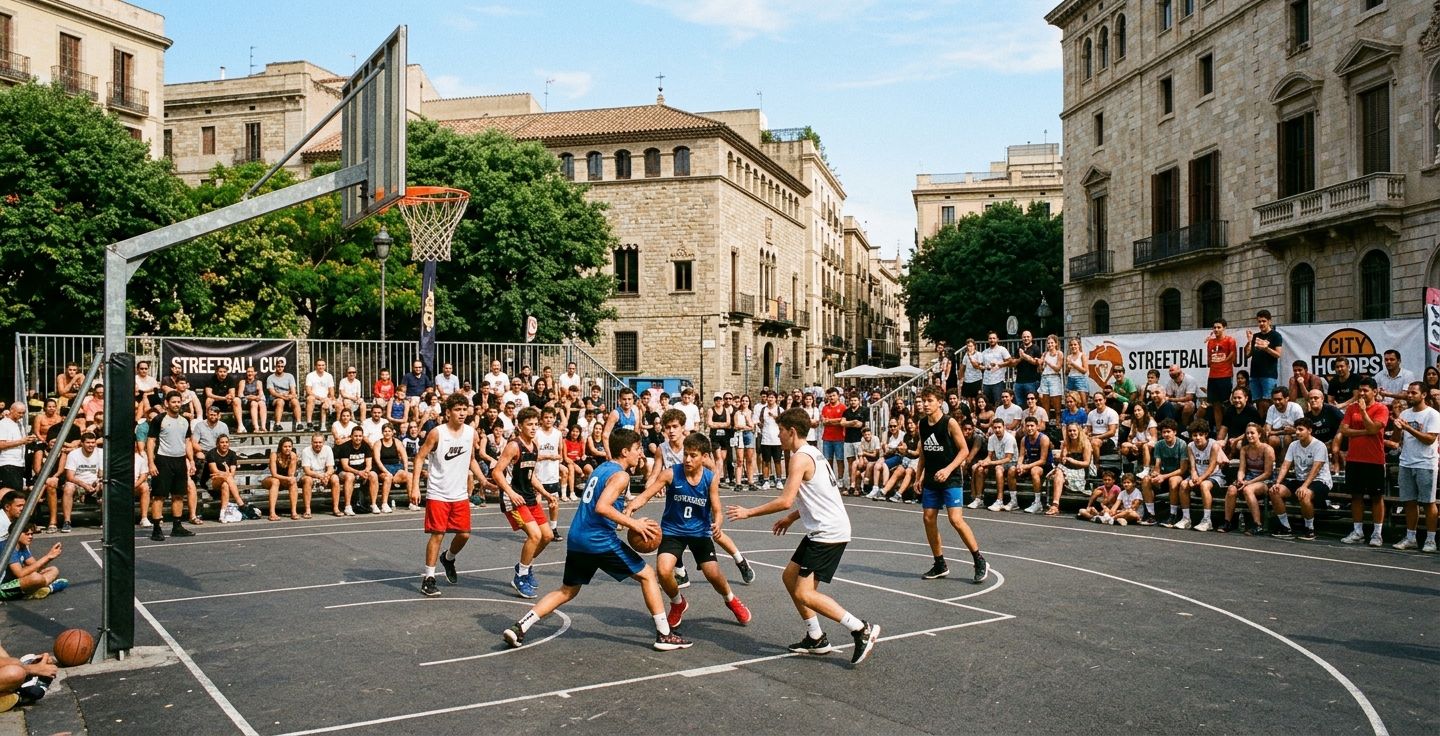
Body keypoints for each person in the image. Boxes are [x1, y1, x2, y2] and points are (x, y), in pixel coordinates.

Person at [503, 427, 692, 651]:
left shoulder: (603, 468)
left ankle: (520, 627)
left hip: (578, 536)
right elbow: (602, 507)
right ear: (624, 451)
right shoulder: (621, 475)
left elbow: (599, 505)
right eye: (637, 449)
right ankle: (664, 635)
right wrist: (635, 524)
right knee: (648, 575)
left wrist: (625, 516)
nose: (640, 453)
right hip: (598, 539)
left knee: (567, 590)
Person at [725, 409, 881, 666]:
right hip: (823, 528)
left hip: (828, 532)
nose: (778, 435)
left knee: (805, 593)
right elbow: (819, 496)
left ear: (792, 431)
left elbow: (785, 500)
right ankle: (816, 637)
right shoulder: (814, 453)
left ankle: (861, 629)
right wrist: (793, 518)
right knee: (789, 577)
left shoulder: (799, 458)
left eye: (781, 430)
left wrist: (748, 512)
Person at [626, 431, 753, 629]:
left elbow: (717, 509)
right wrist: (631, 507)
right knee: (663, 569)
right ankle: (678, 603)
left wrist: (718, 523)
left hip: (699, 532)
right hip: (672, 531)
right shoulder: (671, 473)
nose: (687, 459)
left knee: (713, 574)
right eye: (686, 454)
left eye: (693, 455)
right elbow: (646, 495)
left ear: (704, 457)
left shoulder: (710, 478)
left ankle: (730, 599)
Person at [411, 394, 485, 598]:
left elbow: (471, 460)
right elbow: (419, 458)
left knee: (464, 534)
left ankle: (449, 558)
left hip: (459, 493)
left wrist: (484, 481)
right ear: (448, 412)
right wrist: (415, 486)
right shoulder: (437, 433)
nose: (462, 413)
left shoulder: (471, 433)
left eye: (464, 409)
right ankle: (429, 578)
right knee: (438, 534)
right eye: (457, 409)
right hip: (438, 492)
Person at [492, 407, 555, 599]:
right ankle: (520, 577)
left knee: (547, 536)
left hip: (528, 496)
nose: (534, 427)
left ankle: (524, 566)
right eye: (530, 424)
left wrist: (546, 493)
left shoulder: (534, 445)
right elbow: (496, 472)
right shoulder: (514, 446)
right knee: (535, 535)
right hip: (514, 498)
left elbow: (531, 475)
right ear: (520, 426)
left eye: (536, 424)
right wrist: (510, 492)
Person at [1338, 378, 1390, 547]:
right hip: (1354, 458)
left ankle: (1377, 533)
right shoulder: (1351, 408)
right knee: (1356, 496)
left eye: (1366, 390)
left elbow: (1375, 428)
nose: (1361, 393)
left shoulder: (1381, 408)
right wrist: (1364, 431)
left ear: (1374, 392)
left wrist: (1364, 412)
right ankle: (1358, 531)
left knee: (1376, 497)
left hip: (1374, 459)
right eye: (1360, 390)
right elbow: (1344, 430)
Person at [1390, 382, 1439, 552]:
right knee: (1409, 502)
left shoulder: (1432, 414)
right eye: (1408, 393)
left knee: (1428, 502)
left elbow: (1429, 439)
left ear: (1423, 395)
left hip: (1425, 463)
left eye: (1413, 393)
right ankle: (1411, 537)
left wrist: (1408, 427)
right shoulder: (1404, 413)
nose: (1409, 395)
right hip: (1406, 462)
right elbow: (1397, 439)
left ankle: (1431, 540)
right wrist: (1397, 427)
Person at [1267, 418, 1332, 541]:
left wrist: (1304, 486)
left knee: (1304, 494)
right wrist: (1277, 483)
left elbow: (1315, 469)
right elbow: (1285, 465)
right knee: (1274, 491)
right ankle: (1285, 527)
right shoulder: (1293, 445)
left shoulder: (1319, 446)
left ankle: (1309, 528)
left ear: (1309, 430)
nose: (1297, 432)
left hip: (1320, 481)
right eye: (1296, 429)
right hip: (1300, 479)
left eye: (1300, 429)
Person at [145, 392, 197, 540]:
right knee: (159, 495)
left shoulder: (185, 421)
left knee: (178, 494)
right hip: (163, 460)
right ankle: (156, 529)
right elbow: (151, 441)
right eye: (173, 402)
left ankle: (177, 526)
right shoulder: (159, 419)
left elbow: (187, 442)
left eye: (178, 402)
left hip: (180, 461)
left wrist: (191, 460)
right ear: (167, 403)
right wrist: (151, 462)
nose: (176, 404)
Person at [1222, 424, 1274, 535]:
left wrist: (1248, 483)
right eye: (1247, 433)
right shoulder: (1244, 449)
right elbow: (1241, 469)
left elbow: (1267, 473)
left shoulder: (1267, 449)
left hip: (1265, 481)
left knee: (1247, 490)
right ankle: (1228, 522)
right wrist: (1240, 479)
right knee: (1231, 489)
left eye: (1252, 433)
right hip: (1249, 478)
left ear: (1259, 434)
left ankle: (1257, 524)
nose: (1249, 435)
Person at [1177, 420, 1226, 532]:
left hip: (1215, 476)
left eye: (1200, 435)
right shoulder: (1190, 446)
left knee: (1204, 485)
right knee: (1183, 484)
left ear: (1206, 434)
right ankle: (1186, 518)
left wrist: (1200, 479)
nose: (1197, 438)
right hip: (1198, 475)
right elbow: (1193, 466)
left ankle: (1207, 520)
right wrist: (1194, 475)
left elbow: (1212, 466)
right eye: (1194, 435)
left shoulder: (1213, 445)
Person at [52, 432, 102, 533]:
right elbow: (70, 476)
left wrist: (99, 482)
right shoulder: (74, 454)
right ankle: (67, 522)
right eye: (88, 443)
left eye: (93, 442)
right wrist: (84, 485)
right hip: (78, 483)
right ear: (82, 443)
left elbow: (102, 473)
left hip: (95, 482)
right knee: (68, 488)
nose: (91, 445)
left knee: (106, 486)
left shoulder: (101, 452)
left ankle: (105, 519)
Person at [0, 524, 66, 601]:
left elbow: (35, 566)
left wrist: (49, 558)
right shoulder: (7, 547)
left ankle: (36, 589)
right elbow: (20, 573)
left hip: (15, 581)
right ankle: (49, 588)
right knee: (36, 577)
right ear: (16, 534)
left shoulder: (22, 546)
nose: (31, 537)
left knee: (53, 569)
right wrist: (47, 556)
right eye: (27, 534)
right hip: (2, 587)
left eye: (32, 534)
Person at [1143, 419, 1188, 526]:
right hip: (1163, 476)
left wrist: (1164, 476)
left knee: (1173, 481)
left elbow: (1183, 469)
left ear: (1175, 432)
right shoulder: (1159, 445)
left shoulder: (1182, 444)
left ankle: (1173, 515)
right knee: (1146, 480)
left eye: (1168, 431)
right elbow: (1158, 464)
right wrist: (1155, 473)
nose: (1166, 434)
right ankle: (1151, 514)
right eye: (1164, 432)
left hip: (1178, 476)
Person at [208, 434, 260, 522]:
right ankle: (240, 503)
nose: (224, 444)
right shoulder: (211, 453)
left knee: (225, 485)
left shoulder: (232, 454)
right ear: (217, 444)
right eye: (222, 442)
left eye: (226, 442)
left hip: (227, 482)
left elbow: (232, 473)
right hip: (213, 481)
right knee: (227, 477)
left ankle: (222, 514)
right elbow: (214, 471)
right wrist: (226, 473)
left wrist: (224, 474)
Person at [534, 406, 566, 542]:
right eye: (546, 417)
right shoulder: (536, 433)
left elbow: (561, 455)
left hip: (552, 474)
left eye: (551, 417)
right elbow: (533, 454)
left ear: (554, 419)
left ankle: (553, 528)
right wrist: (546, 456)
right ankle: (538, 529)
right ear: (541, 419)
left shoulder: (558, 434)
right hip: (538, 474)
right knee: (537, 503)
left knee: (553, 503)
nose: (548, 420)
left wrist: (556, 457)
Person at [969, 417, 1016, 511]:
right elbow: (989, 456)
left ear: (1004, 428)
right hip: (997, 462)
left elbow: (1008, 458)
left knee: (998, 469)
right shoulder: (991, 438)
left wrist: (990, 462)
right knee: (980, 469)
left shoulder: (1009, 438)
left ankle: (1000, 500)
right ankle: (979, 499)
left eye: (999, 427)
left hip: (1011, 463)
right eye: (995, 428)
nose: (997, 430)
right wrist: (983, 462)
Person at [1048, 421, 1092, 516]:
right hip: (1068, 469)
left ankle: (1055, 505)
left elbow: (1086, 463)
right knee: (1059, 471)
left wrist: (1071, 460)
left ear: (1079, 431)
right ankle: (1055, 505)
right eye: (1070, 431)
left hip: (1081, 470)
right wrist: (1061, 457)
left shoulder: (1085, 443)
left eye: (1074, 431)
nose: (1072, 433)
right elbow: (1063, 459)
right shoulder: (1066, 443)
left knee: (1059, 471)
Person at [1245, 310, 1284, 415]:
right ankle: (1261, 426)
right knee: (1258, 402)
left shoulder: (1276, 336)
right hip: (1255, 374)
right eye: (1259, 321)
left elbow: (1278, 354)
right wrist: (1249, 342)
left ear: (1269, 321)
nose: (1261, 324)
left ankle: (1269, 424)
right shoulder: (1256, 336)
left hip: (1268, 374)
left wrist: (1266, 348)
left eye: (1264, 321)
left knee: (1268, 402)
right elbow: (1247, 355)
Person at [1012, 416, 1053, 514]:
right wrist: (1019, 465)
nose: (1029, 428)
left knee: (1034, 470)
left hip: (1045, 467)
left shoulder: (1044, 439)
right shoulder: (1024, 439)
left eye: (1032, 426)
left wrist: (1025, 466)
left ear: (1037, 426)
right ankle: (1013, 501)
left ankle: (1038, 502)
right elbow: (1021, 456)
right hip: (1030, 464)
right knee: (1012, 470)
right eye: (1027, 426)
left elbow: (1042, 461)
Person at [297, 433, 339, 519]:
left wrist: (326, 475)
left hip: (324, 474)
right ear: (311, 442)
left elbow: (330, 468)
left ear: (323, 442)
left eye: (320, 442)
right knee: (308, 480)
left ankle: (336, 508)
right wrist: (321, 476)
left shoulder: (328, 449)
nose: (318, 444)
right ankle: (308, 510)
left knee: (335, 478)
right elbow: (307, 471)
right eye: (315, 442)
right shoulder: (306, 451)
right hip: (309, 475)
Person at [1205, 319, 1237, 428]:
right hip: (1213, 376)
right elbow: (1209, 358)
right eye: (1214, 327)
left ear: (1224, 328)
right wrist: (1212, 360)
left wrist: (1222, 360)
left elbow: (1232, 355)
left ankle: (1229, 427)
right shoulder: (1210, 342)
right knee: (1215, 404)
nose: (1216, 329)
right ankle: (1218, 428)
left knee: (1227, 403)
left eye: (1219, 327)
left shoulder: (1230, 340)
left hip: (1225, 375)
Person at [1216, 388, 1263, 455]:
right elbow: (1223, 430)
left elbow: (1253, 433)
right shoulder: (1229, 410)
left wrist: (1236, 440)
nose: (1237, 400)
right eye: (1234, 398)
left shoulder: (1252, 412)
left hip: (1247, 440)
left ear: (1246, 398)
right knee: (1216, 444)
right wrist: (1219, 442)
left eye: (1239, 398)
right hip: (1231, 441)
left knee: (1238, 444)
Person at [264, 437, 300, 520]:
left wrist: (290, 479)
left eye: (289, 446)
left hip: (284, 480)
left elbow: (291, 474)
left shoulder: (293, 455)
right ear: (281, 447)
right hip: (270, 478)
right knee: (276, 481)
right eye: (285, 446)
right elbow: (274, 474)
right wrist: (288, 479)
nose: (288, 449)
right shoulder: (274, 455)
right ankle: (272, 513)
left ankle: (294, 512)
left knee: (293, 482)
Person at [0, 403, 33, 493]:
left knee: (15, 490)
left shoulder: (19, 424)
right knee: (14, 490)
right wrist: (22, 441)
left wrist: (28, 440)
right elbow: (1, 444)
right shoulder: (3, 424)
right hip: (8, 462)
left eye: (23, 413)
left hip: (19, 462)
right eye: (19, 413)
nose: (21, 415)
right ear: (11, 410)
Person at [841, 392, 870, 492]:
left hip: (859, 440)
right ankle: (851, 485)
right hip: (848, 440)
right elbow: (842, 423)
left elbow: (862, 425)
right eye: (851, 400)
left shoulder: (864, 410)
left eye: (855, 400)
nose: (853, 402)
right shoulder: (846, 411)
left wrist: (849, 423)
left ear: (859, 400)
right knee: (850, 463)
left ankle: (859, 486)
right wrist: (853, 422)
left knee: (860, 463)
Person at [1119, 402, 1156, 479]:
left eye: (1139, 410)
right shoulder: (1134, 423)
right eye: (1135, 411)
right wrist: (1133, 445)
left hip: (1149, 445)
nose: (1136, 412)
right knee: (1124, 446)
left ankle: (1146, 469)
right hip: (1137, 445)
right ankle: (1125, 470)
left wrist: (1142, 443)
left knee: (1145, 446)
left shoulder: (1151, 422)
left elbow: (1154, 439)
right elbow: (1130, 437)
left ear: (1144, 411)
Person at [757, 392, 785, 490]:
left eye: (772, 397)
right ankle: (766, 480)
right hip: (766, 439)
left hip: (777, 440)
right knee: (766, 461)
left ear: (776, 399)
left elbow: (783, 422)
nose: (770, 399)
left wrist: (774, 416)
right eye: (769, 397)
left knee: (777, 461)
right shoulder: (763, 409)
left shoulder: (780, 409)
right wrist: (759, 424)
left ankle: (779, 480)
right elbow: (760, 422)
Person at [265, 359, 301, 431]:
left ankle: (299, 423)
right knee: (280, 401)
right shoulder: (270, 378)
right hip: (275, 399)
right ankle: (277, 424)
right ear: (275, 367)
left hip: (288, 398)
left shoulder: (290, 376)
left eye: (282, 366)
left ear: (284, 367)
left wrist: (291, 396)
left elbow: (293, 391)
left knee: (295, 401)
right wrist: (283, 396)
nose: (280, 368)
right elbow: (272, 393)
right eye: (278, 366)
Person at [978, 331, 1011, 408]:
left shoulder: (1002, 349)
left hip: (998, 381)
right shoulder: (984, 352)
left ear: (997, 339)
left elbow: (1010, 361)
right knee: (987, 404)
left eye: (993, 338)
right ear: (988, 340)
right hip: (986, 382)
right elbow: (979, 366)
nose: (992, 340)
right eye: (990, 338)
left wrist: (999, 364)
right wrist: (985, 367)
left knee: (999, 403)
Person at [1012, 330, 1043, 408]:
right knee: (1019, 405)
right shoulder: (1019, 348)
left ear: (1031, 338)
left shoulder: (1036, 348)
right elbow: (1014, 363)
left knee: (1032, 404)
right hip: (1019, 381)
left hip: (1032, 381)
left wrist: (1024, 356)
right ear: (1022, 338)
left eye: (1028, 337)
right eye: (1024, 337)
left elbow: (1037, 363)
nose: (1026, 338)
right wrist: (1020, 358)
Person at [303, 359, 337, 430]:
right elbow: (308, 390)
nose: (321, 367)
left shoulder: (329, 376)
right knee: (310, 398)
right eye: (319, 365)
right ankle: (309, 422)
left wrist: (329, 398)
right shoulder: (310, 375)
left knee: (334, 403)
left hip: (325, 398)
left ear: (325, 366)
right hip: (314, 398)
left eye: (322, 365)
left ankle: (325, 426)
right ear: (315, 366)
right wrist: (319, 398)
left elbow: (332, 391)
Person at [238, 366, 267, 435]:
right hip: (246, 402)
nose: (250, 373)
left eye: (251, 372)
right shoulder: (242, 382)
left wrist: (255, 397)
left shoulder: (258, 382)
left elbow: (261, 394)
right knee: (254, 403)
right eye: (248, 372)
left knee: (262, 403)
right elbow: (240, 394)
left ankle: (263, 427)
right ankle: (256, 427)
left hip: (256, 400)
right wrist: (248, 397)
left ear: (255, 373)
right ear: (246, 373)